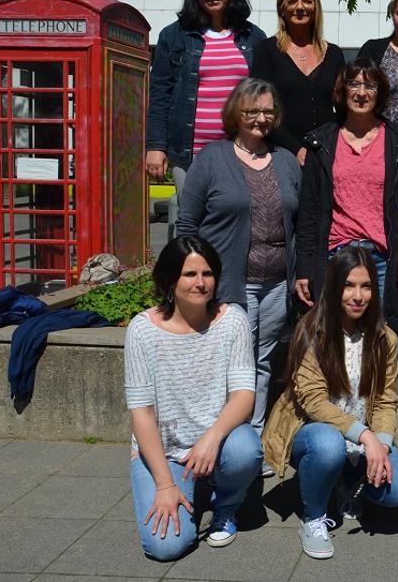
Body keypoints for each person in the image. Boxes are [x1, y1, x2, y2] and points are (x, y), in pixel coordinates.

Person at [261, 247, 398, 559]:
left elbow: (387, 400)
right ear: (333, 287)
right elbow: (313, 401)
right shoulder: (311, 330)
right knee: (329, 445)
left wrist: (381, 446)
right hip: (312, 431)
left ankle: (346, 481)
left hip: (362, 437)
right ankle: (314, 516)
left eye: (366, 286)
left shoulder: (385, 339)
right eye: (349, 285)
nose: (358, 296)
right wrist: (366, 436)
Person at [176, 79, 300, 445]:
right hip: (230, 281)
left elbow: (301, 220)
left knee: (262, 362)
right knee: (228, 364)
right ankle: (220, 438)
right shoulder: (212, 159)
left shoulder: (286, 161)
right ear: (236, 114)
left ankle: (253, 440)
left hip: (277, 283)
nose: (261, 118)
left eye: (267, 111)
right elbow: (187, 224)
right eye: (252, 111)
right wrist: (190, 276)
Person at [125, 235, 262, 560]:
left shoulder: (233, 322)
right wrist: (163, 485)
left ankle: (225, 505)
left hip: (216, 443)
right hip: (166, 449)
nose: (200, 283)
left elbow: (244, 394)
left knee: (246, 449)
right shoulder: (142, 331)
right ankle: (182, 484)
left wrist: (212, 437)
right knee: (165, 547)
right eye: (190, 274)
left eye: (208, 274)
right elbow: (141, 414)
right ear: (170, 280)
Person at [145, 0, 265, 237]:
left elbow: (263, 95)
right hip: (191, 154)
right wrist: (155, 146)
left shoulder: (252, 36)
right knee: (191, 224)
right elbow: (160, 94)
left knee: (239, 223)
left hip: (241, 151)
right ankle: (192, 280)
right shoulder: (174, 36)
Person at [295, 58, 398, 330]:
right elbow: (309, 212)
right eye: (354, 84)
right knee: (333, 338)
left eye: (370, 86)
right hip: (336, 254)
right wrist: (305, 269)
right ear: (343, 91)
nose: (361, 93)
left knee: (377, 338)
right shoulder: (320, 142)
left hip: (380, 258)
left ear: (379, 92)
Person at [250, 0, 345, 165]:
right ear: (282, 8)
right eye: (292, 1)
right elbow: (259, 108)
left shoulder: (334, 54)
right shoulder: (266, 50)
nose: (300, 7)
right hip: (278, 154)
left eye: (307, 1)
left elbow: (342, 109)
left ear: (316, 8)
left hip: (326, 156)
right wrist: (296, 150)